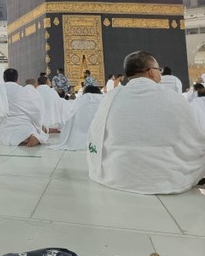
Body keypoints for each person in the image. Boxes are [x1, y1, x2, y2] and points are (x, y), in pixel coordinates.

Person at [88, 50, 205, 194]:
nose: (160, 74)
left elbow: (96, 134)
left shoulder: (111, 97)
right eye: (158, 70)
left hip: (116, 173)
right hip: (164, 177)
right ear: (151, 72)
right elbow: (193, 139)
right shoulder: (172, 97)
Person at [0, 68, 48, 147]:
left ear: (3, 78)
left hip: (6, 126)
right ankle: (31, 137)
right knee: (31, 130)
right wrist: (39, 125)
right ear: (17, 79)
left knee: (4, 137)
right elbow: (34, 110)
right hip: (24, 124)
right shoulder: (23, 90)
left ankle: (23, 140)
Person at [50, 85, 103, 150]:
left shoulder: (80, 99)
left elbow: (71, 117)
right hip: (102, 135)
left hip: (80, 135)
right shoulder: (105, 98)